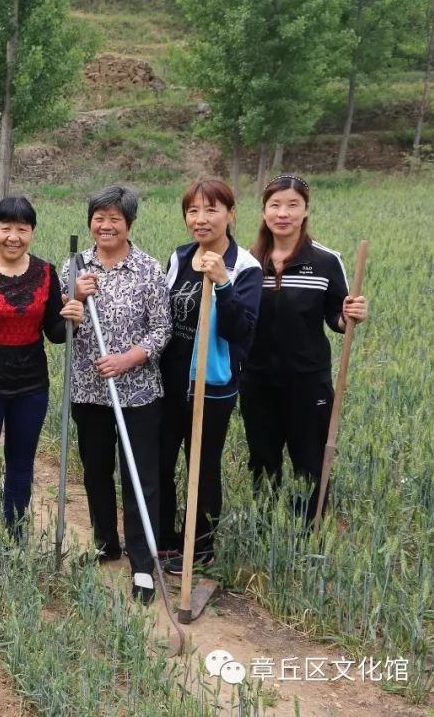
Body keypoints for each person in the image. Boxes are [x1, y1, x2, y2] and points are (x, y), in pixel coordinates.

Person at [0, 196, 83, 565]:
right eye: (6, 227)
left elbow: (55, 332)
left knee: (22, 465)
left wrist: (72, 316)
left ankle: (16, 537)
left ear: (32, 232)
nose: (13, 236)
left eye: (22, 229)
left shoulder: (46, 272)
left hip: (31, 388)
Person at [62, 185, 171, 605]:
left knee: (140, 478)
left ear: (129, 224)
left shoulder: (147, 268)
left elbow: (161, 330)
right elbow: (63, 328)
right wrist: (74, 298)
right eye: (99, 218)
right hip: (89, 392)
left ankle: (142, 562)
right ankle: (105, 541)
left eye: (115, 219)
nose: (105, 226)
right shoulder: (74, 266)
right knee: (95, 471)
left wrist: (128, 359)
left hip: (138, 392)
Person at [240, 174, 367, 523]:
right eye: (275, 205)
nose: (284, 213)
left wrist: (350, 315)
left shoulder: (326, 261)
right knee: (263, 459)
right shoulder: (247, 261)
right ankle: (265, 530)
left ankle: (306, 532)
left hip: (308, 381)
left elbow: (336, 320)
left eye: (293, 205)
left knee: (309, 461)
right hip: (256, 380)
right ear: (264, 211)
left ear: (306, 210)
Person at [157, 179, 262, 574]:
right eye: (193, 211)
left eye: (211, 210)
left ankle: (199, 548)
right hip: (169, 383)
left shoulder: (245, 266)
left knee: (203, 466)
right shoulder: (180, 257)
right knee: (163, 462)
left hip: (213, 386)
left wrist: (223, 282)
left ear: (231, 214)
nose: (201, 219)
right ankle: (166, 541)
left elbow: (242, 330)